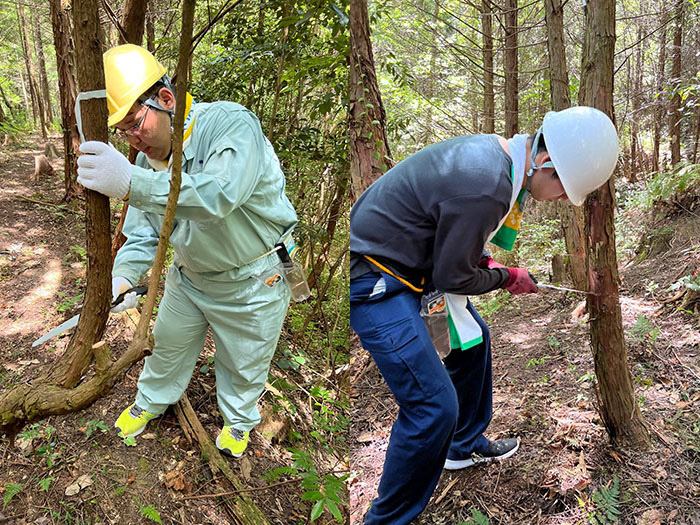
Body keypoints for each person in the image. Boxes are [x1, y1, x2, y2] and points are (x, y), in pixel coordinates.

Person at [349, 106, 619, 524]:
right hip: (380, 280)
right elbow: (453, 276)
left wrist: (487, 264)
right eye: (565, 189)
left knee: (473, 341)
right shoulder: (489, 184)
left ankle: (462, 445)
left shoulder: (503, 163)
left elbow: (452, 239)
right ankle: (386, 520)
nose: (564, 199)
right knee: (432, 408)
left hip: (414, 267)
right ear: (545, 163)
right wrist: (506, 277)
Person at [76, 44, 298, 458]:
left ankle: (238, 420)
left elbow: (221, 193)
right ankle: (151, 400)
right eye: (123, 132)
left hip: (255, 279)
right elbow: (144, 233)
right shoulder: (145, 162)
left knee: (244, 362)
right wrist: (122, 278)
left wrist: (131, 185)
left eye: (136, 124)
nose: (133, 139)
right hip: (190, 276)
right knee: (166, 345)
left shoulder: (231, 125)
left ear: (165, 99)